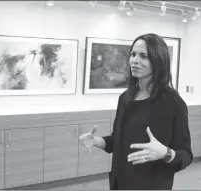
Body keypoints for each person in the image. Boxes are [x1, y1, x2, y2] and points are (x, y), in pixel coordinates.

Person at [79, 33, 193, 190]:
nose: (135, 61)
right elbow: (119, 140)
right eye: (133, 54)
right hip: (120, 183)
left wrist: (165, 153)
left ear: (158, 60)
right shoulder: (125, 98)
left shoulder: (174, 103)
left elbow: (186, 155)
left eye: (143, 56)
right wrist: (97, 141)